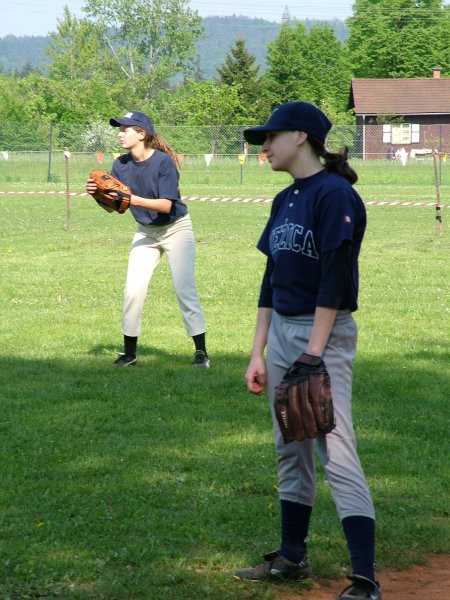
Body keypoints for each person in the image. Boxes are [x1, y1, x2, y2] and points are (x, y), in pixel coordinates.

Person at [234, 102, 381, 600]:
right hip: (282, 337)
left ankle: (365, 578)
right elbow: (270, 280)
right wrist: (258, 352)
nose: (264, 146)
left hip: (325, 333)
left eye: (270, 137)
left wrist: (313, 353)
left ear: (301, 137)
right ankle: (292, 555)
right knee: (289, 444)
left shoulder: (335, 194)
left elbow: (335, 279)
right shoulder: (283, 200)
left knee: (335, 449)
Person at [86, 111, 209, 368]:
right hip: (145, 231)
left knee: (184, 289)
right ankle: (129, 353)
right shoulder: (120, 165)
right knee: (133, 290)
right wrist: (98, 196)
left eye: (125, 129)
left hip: (175, 228)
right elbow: (115, 207)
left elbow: (165, 205)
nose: (120, 133)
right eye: (119, 129)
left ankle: (201, 352)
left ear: (141, 134)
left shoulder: (163, 163)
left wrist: (130, 199)